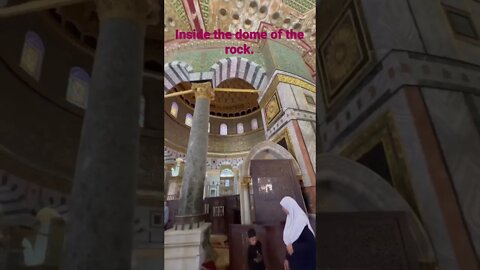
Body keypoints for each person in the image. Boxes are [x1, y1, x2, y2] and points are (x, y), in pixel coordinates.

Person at [280, 196, 316, 270]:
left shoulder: (301, 221)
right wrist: (287, 258)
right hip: (296, 263)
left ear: (289, 206)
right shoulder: (290, 219)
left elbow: (312, 244)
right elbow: (289, 243)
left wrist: (295, 247)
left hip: (306, 264)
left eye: (283, 207)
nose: (282, 209)